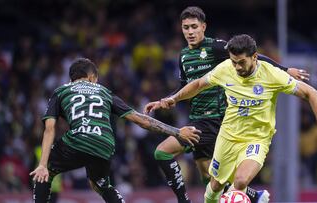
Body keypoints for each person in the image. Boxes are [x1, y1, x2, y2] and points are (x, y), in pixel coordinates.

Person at [143, 6, 310, 203]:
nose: (190, 32)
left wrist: (284, 69)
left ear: (203, 27)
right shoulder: (183, 56)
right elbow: (186, 87)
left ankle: (184, 200)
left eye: (194, 27)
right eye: (186, 27)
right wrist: (167, 100)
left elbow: (251, 56)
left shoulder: (215, 47)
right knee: (211, 180)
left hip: (216, 119)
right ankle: (253, 196)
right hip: (197, 118)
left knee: (162, 152)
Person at [158, 34, 317, 203]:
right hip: (228, 136)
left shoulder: (272, 75)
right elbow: (197, 85)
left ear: (255, 57)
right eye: (234, 62)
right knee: (215, 185)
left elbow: (312, 93)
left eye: (241, 62)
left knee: (240, 182)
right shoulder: (226, 68)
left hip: (256, 139)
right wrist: (174, 98)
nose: (238, 67)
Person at [29, 58, 201, 203]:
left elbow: (49, 128)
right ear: (92, 77)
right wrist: (177, 132)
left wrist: (43, 164)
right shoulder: (105, 92)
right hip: (105, 144)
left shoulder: (61, 91)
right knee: (101, 185)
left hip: (78, 140)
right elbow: (140, 120)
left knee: (44, 173)